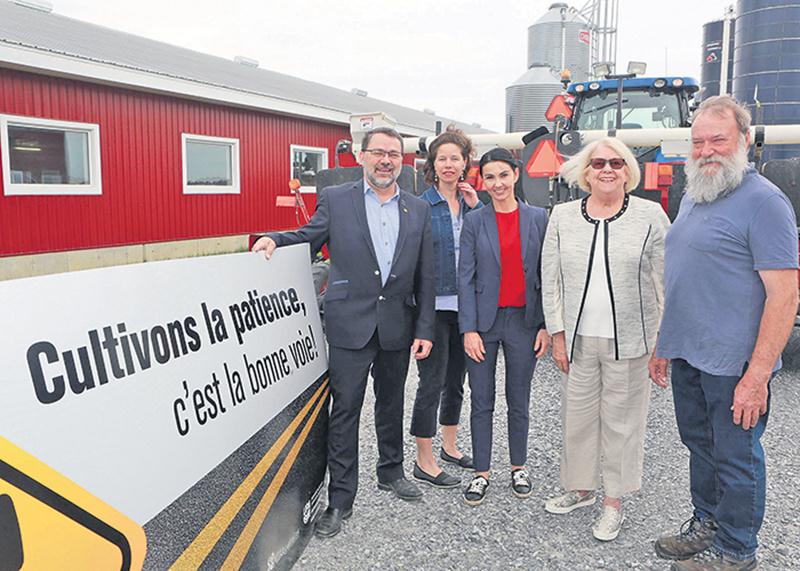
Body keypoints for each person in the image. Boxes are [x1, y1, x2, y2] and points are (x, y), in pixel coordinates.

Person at [252, 127, 435, 538]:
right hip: (350, 324)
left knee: (390, 405)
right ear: (361, 156)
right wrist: (273, 239)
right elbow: (308, 237)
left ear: (402, 161)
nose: (386, 160)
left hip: (397, 327)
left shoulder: (417, 209)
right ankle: (340, 500)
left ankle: (391, 472)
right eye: (378, 153)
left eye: (394, 154)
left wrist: (425, 327)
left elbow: (426, 274)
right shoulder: (336, 200)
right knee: (345, 412)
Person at [650, 95, 799, 570]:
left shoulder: (765, 203)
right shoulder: (699, 193)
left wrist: (757, 376)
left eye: (718, 139)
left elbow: (785, 296)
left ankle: (737, 551)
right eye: (698, 141)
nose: (707, 150)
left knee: (737, 458)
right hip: (690, 354)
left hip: (735, 363)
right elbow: (685, 276)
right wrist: (664, 344)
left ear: (745, 141)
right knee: (701, 447)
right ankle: (707, 524)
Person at [540, 136, 670, 542]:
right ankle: (580, 489)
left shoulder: (650, 216)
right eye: (598, 164)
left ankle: (613, 502)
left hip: (630, 344)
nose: (607, 170)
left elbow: (666, 282)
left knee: (622, 424)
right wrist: (558, 334)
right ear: (586, 172)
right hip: (579, 343)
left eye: (616, 163)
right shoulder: (561, 216)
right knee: (576, 419)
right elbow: (552, 281)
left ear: (628, 170)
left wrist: (661, 343)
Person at [458, 147, 550, 506]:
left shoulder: (538, 218)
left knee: (519, 398)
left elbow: (545, 275)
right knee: (481, 400)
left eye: (503, 175)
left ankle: (518, 466)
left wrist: (544, 325)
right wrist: (468, 329)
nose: (497, 184)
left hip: (523, 323)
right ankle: (481, 473)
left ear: (516, 174)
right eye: (490, 177)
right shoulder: (474, 221)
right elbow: (465, 277)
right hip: (484, 323)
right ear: (484, 181)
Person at [411, 127, 482, 489]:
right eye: (443, 158)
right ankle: (424, 459)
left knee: (457, 382)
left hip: (466, 308)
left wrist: (477, 206)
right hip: (432, 308)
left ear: (466, 163)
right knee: (431, 382)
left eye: (456, 157)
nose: (450, 164)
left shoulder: (473, 204)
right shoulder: (421, 205)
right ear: (432, 165)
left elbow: (489, 243)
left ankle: (450, 447)